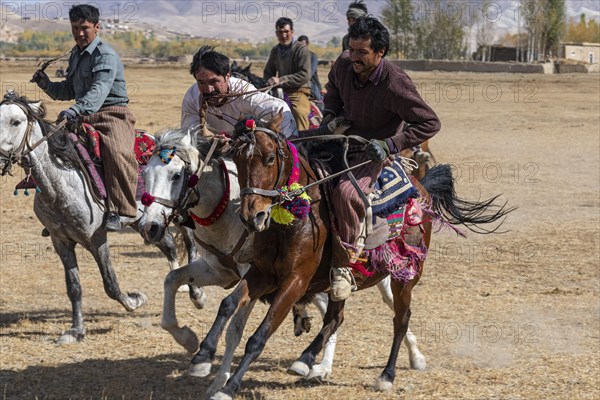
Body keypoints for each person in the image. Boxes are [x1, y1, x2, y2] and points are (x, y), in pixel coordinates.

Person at [323, 16, 441, 301]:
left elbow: (430, 123)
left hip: (371, 152)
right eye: (352, 50)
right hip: (340, 139)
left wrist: (389, 145)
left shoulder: (395, 82)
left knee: (346, 193)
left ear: (380, 52)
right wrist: (330, 116)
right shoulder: (343, 64)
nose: (354, 57)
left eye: (362, 52)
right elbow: (334, 90)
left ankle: (344, 266)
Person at [31, 4, 137, 232]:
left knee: (117, 153)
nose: (80, 33)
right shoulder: (76, 55)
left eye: (85, 28)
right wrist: (46, 84)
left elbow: (99, 90)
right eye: (75, 27)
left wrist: (76, 110)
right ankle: (62, 214)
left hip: (112, 115)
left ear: (97, 27)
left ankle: (123, 211)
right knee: (55, 151)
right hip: (82, 116)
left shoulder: (105, 55)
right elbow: (70, 89)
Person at [181, 46, 298, 138]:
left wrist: (287, 146)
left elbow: (278, 108)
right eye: (201, 83)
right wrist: (212, 141)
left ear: (227, 76)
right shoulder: (192, 97)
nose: (208, 89)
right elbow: (190, 134)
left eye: (214, 82)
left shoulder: (243, 92)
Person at [264, 17, 312, 130]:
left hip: (298, 92)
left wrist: (280, 80)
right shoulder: (275, 50)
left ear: (292, 32)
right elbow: (268, 72)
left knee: (299, 113)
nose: (283, 35)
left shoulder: (301, 49)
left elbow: (305, 75)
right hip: (280, 91)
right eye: (280, 32)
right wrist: (269, 81)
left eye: (286, 32)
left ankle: (303, 142)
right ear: (276, 33)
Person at [297, 35, 324, 112]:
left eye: (303, 45)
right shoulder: (295, 57)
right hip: (298, 84)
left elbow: (310, 73)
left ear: (307, 44)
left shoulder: (312, 56)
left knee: (320, 106)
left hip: (312, 84)